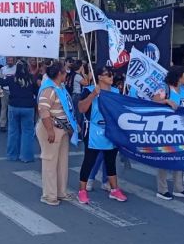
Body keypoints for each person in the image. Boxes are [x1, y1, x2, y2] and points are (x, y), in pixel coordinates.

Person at [76, 65, 128, 204]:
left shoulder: (117, 92)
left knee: (110, 161)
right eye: (107, 74)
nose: (111, 77)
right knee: (89, 161)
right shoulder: (89, 90)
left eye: (112, 74)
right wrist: (93, 95)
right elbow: (81, 108)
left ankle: (114, 189)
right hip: (93, 131)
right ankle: (82, 191)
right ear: (99, 77)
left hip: (111, 130)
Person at [36, 62, 79, 206]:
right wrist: (49, 130)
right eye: (65, 72)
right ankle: (49, 195)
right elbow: (43, 110)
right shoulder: (49, 89)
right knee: (50, 162)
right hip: (52, 128)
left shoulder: (60, 88)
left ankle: (61, 192)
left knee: (62, 162)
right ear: (59, 74)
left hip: (62, 129)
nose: (67, 74)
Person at [153, 66, 184, 200]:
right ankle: (162, 189)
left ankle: (178, 187)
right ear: (178, 76)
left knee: (180, 157)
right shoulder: (165, 88)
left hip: (181, 129)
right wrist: (166, 101)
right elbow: (154, 101)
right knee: (165, 158)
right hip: (166, 129)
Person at [1, 59, 39, 162]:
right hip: (28, 107)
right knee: (27, 132)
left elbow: (1, 83)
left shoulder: (11, 78)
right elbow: (37, 92)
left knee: (13, 131)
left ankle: (12, 155)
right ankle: (26, 157)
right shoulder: (31, 79)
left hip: (14, 106)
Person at [0, 57, 17, 132]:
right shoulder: (3, 69)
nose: (10, 62)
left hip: (14, 91)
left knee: (12, 108)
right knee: (3, 108)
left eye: (11, 60)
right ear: (6, 61)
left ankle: (13, 124)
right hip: (4, 91)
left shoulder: (16, 68)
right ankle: (2, 125)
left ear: (13, 61)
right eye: (8, 60)